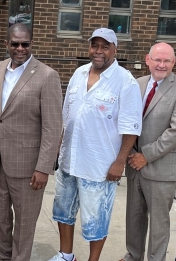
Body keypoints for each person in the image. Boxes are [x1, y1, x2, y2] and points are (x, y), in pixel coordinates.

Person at [49, 28, 142, 261]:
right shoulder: (79, 73)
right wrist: (59, 151)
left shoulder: (125, 81)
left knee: (96, 219)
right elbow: (66, 116)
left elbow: (131, 128)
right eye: (95, 45)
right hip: (69, 159)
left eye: (105, 46)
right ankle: (66, 255)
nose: (98, 51)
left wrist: (120, 163)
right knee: (63, 211)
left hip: (99, 165)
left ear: (115, 50)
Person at [0, 23, 63, 261]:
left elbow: (53, 127)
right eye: (15, 44)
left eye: (25, 44)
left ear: (31, 44)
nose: (21, 48)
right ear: (6, 44)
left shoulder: (47, 76)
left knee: (25, 224)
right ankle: (3, 257)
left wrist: (43, 168)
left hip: (29, 167)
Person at [120, 43, 176, 261]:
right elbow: (126, 120)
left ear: (174, 63)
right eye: (158, 60)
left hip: (161, 168)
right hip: (134, 165)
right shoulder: (137, 84)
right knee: (134, 218)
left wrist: (145, 155)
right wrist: (131, 153)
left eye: (167, 61)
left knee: (159, 224)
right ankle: (133, 256)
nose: (162, 65)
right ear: (147, 60)